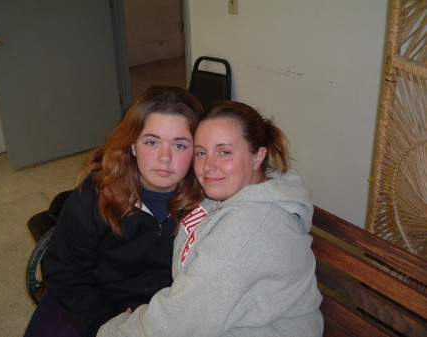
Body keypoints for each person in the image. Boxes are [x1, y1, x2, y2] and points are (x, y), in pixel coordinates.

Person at [96, 100, 323, 337]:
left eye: (224, 152)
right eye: (201, 153)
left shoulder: (249, 227)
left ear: (258, 157)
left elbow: (180, 319)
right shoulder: (233, 193)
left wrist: (112, 331)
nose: (207, 166)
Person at [23, 86, 205, 337]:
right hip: (94, 299)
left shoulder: (209, 201)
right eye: (152, 142)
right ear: (132, 145)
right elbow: (65, 272)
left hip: (168, 311)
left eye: (180, 145)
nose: (165, 157)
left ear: (197, 151)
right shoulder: (96, 194)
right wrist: (105, 325)